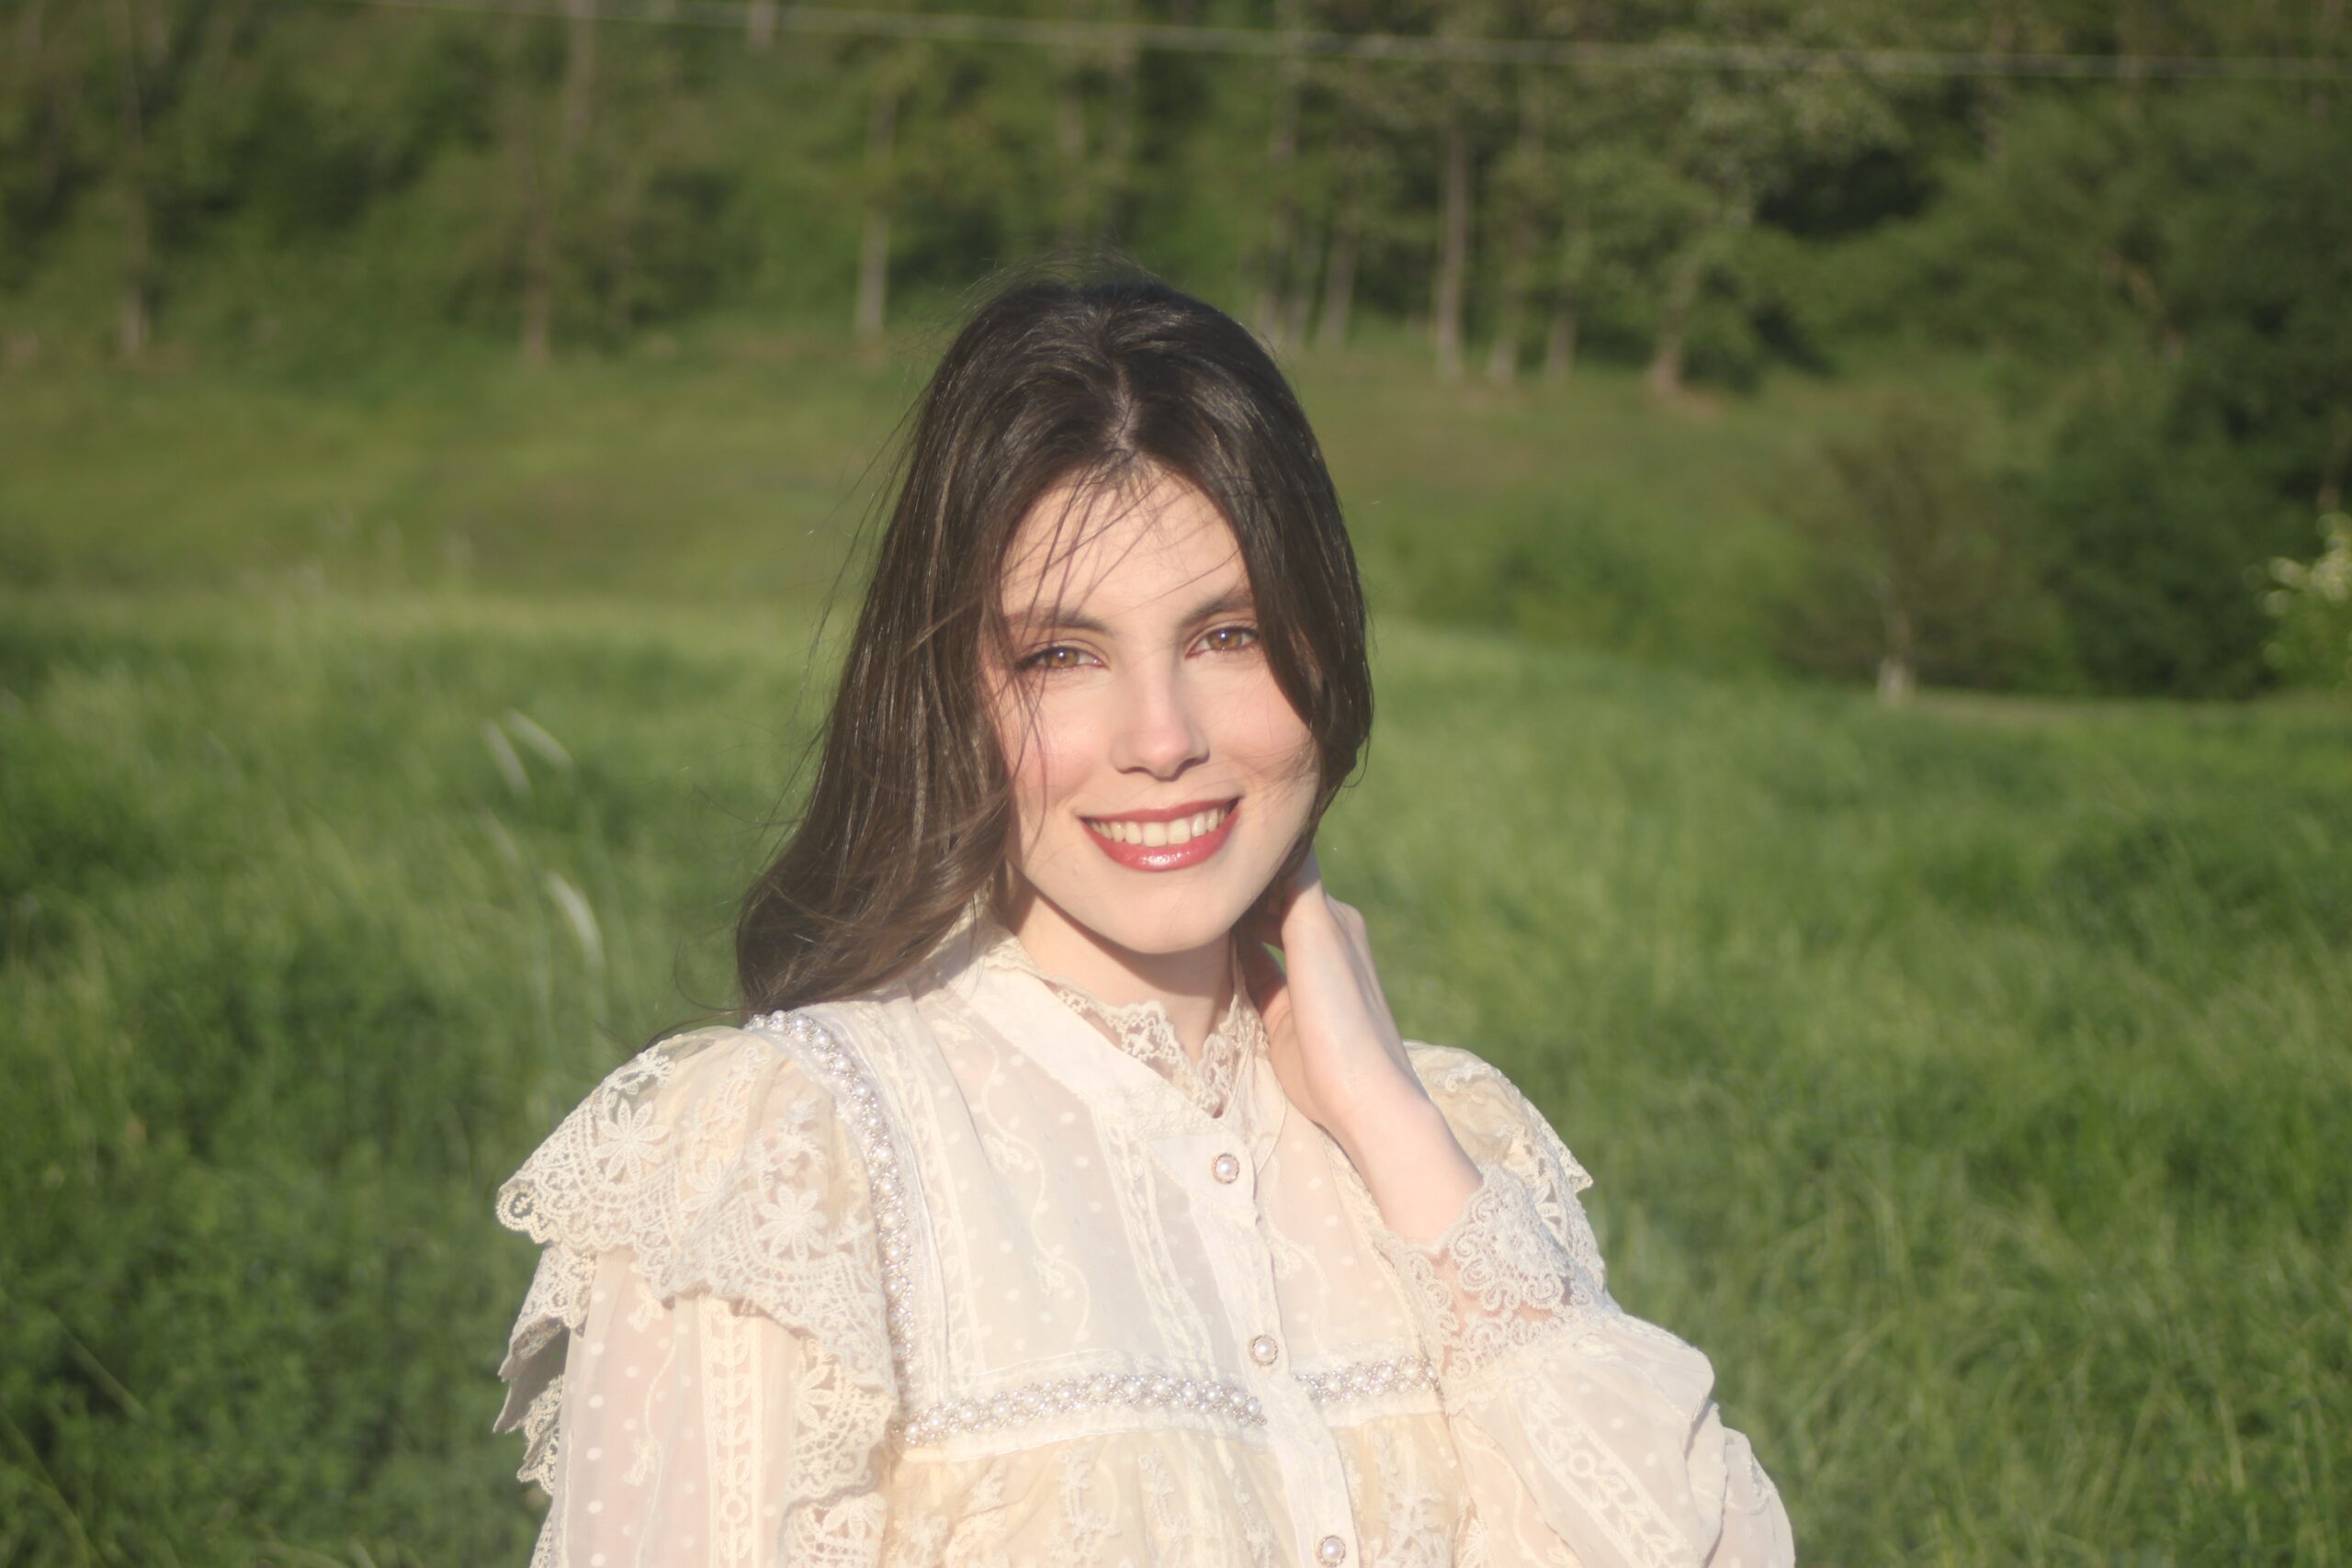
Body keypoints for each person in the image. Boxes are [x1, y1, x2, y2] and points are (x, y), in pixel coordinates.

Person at [492, 266, 1794, 1568]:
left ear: (1325, 647)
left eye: (1229, 635)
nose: (1162, 740)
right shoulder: (792, 1158)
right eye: (1061, 656)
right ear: (951, 693)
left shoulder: (1455, 1148)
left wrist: (1393, 1128)